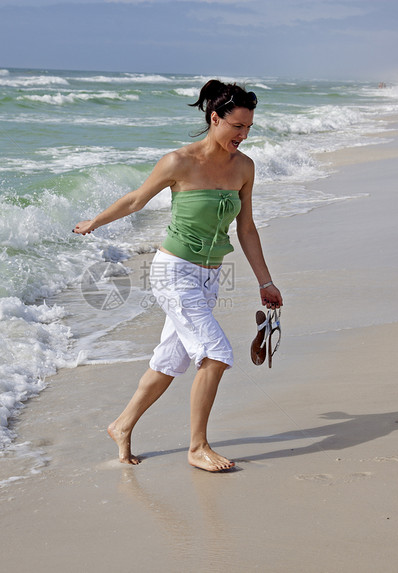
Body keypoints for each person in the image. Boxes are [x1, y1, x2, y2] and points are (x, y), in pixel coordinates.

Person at [73, 79, 283, 472]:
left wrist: (265, 282)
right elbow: (136, 199)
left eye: (249, 128)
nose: (244, 135)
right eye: (237, 126)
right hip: (174, 273)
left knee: (169, 361)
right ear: (215, 118)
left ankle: (122, 426)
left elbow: (246, 229)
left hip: (210, 277)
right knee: (217, 353)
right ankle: (197, 447)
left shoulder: (244, 167)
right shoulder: (179, 162)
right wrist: (96, 222)